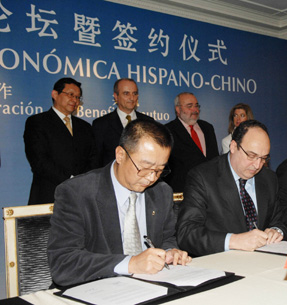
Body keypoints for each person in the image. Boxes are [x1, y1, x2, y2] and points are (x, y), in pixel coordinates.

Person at [48, 119, 191, 287]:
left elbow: (166, 238)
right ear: (120, 155)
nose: (151, 178)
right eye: (145, 168)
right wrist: (130, 264)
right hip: (96, 289)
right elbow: (63, 263)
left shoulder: (161, 192)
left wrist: (169, 252)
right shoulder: (77, 192)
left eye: (159, 170)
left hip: (149, 287)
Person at [177, 120, 287, 257]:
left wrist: (276, 231)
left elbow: (279, 221)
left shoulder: (269, 179)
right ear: (234, 146)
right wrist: (234, 241)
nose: (257, 165)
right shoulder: (203, 177)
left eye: (264, 158)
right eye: (251, 156)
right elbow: (187, 233)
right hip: (220, 264)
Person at [23, 77, 97, 205]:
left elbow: (93, 159)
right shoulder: (37, 122)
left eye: (78, 97)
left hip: (82, 197)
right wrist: (71, 180)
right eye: (71, 95)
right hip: (49, 196)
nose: (75, 100)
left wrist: (84, 182)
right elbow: (39, 161)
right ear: (55, 94)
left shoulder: (85, 127)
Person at [93, 78, 154, 167]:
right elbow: (96, 160)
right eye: (126, 93)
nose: (132, 98)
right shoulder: (101, 124)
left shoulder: (148, 122)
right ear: (116, 96)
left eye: (135, 93)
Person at [165, 92, 219, 192]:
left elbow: (215, 159)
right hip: (183, 192)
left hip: (210, 190)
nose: (195, 110)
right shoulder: (168, 130)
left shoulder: (208, 128)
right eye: (189, 106)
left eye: (196, 105)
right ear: (178, 109)